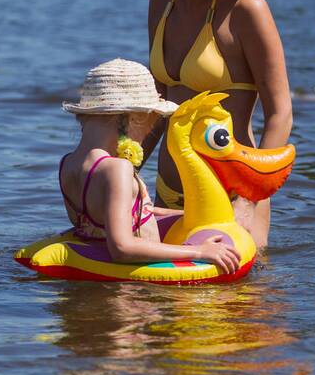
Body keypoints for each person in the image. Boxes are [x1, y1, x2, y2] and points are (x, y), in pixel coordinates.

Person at [106, 0, 291, 248]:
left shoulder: (247, 9)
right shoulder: (162, 2)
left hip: (232, 188)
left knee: (235, 304)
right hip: (167, 187)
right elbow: (158, 101)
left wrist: (251, 198)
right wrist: (123, 173)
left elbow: (280, 114)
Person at [59, 58, 241, 272]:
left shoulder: (68, 163)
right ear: (136, 118)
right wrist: (200, 251)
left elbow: (108, 213)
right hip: (132, 298)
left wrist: (180, 213)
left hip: (101, 283)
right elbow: (121, 247)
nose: (149, 132)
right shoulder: (116, 169)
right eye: (153, 122)